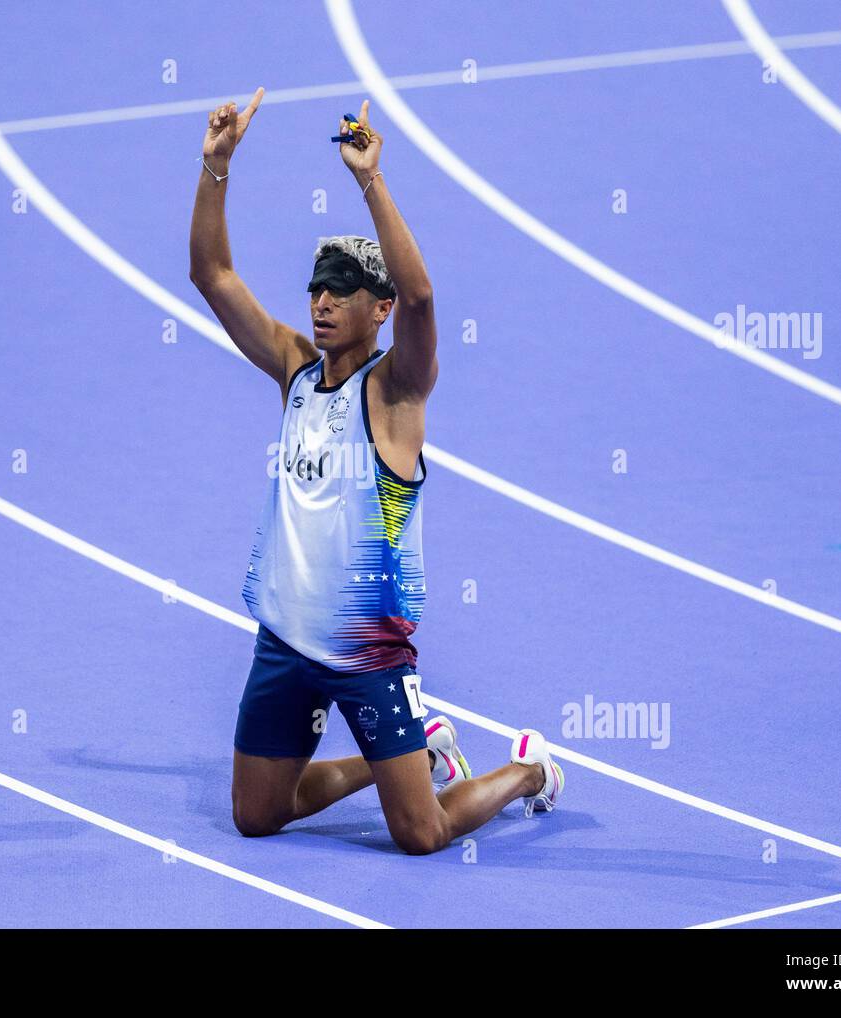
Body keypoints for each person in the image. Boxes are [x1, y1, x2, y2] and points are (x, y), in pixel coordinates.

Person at [188, 87, 564, 855]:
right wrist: (216, 169)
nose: (321, 303)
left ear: (378, 309)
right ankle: (407, 754)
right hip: (286, 643)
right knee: (257, 815)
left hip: (368, 654)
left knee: (420, 835)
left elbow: (424, 295)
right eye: (315, 290)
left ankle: (528, 770)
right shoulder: (295, 371)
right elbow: (213, 276)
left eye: (342, 292)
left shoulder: (395, 394)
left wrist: (370, 180)